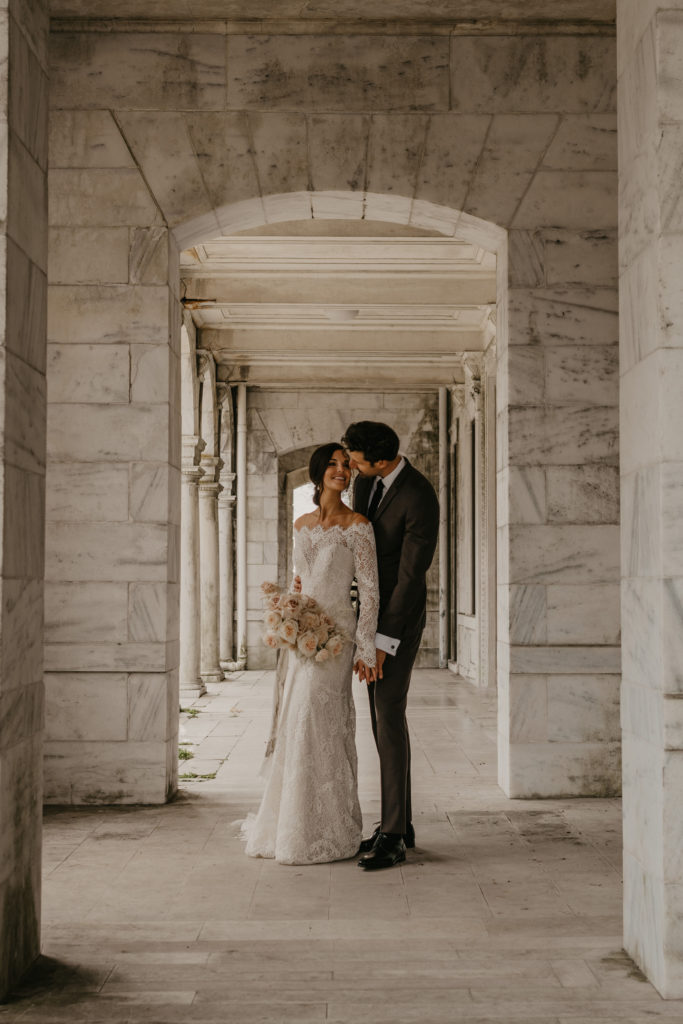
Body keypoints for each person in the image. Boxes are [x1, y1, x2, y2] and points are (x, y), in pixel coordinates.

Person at [243, 443, 379, 865]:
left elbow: (370, 593)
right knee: (296, 721)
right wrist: (291, 607)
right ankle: (294, 824)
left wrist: (367, 648)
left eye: (347, 466)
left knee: (319, 721)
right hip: (303, 636)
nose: (342, 471)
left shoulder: (359, 526)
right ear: (318, 474)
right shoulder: (302, 525)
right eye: (334, 465)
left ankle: (330, 826)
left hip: (337, 638)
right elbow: (302, 580)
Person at [341, 420, 440, 871]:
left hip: (398, 620)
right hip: (367, 617)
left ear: (380, 459)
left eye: (358, 460)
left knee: (387, 715)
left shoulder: (420, 496)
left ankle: (395, 835)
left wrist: (384, 641)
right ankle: (400, 823)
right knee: (382, 716)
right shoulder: (367, 485)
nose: (353, 468)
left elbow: (410, 577)